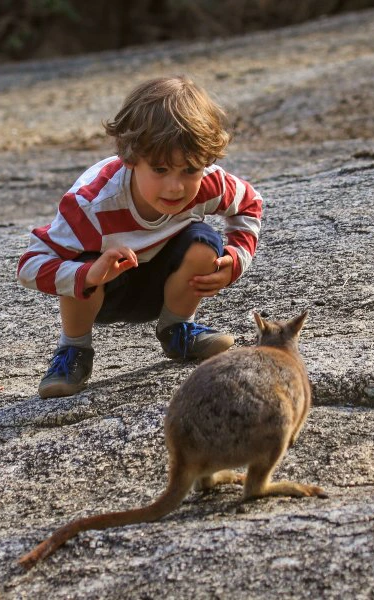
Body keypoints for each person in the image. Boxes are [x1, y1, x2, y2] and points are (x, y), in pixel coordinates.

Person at [17, 75, 263, 399]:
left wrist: (236, 260)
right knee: (83, 261)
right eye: (160, 170)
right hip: (105, 292)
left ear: (206, 160)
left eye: (190, 169)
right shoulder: (92, 203)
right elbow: (30, 266)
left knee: (205, 244)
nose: (176, 186)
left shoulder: (209, 183)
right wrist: (87, 274)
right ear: (131, 158)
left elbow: (249, 203)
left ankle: (178, 329)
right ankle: (73, 350)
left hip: (163, 285)